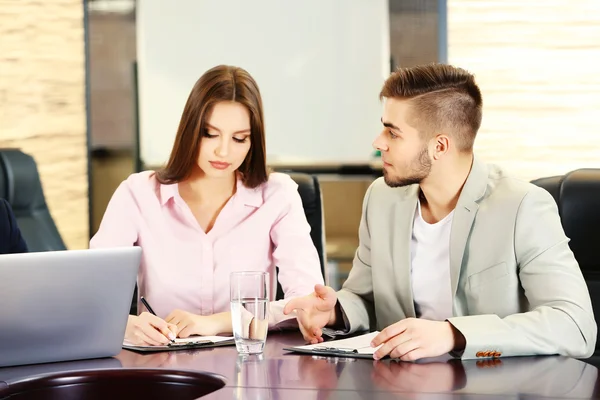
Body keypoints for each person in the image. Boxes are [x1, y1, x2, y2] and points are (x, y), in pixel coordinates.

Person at [284, 63, 596, 361]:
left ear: (440, 147)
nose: (378, 143)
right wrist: (337, 311)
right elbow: (366, 299)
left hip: (494, 385)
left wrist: (453, 335)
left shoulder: (522, 206)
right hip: (400, 384)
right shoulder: (381, 198)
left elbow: (575, 326)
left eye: (393, 133)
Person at [91, 65, 323, 346]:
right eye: (210, 134)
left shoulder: (277, 195)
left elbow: (308, 304)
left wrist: (216, 322)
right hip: (162, 365)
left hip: (249, 366)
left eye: (239, 139)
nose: (223, 151)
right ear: (190, 130)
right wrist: (129, 325)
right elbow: (94, 296)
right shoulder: (138, 193)